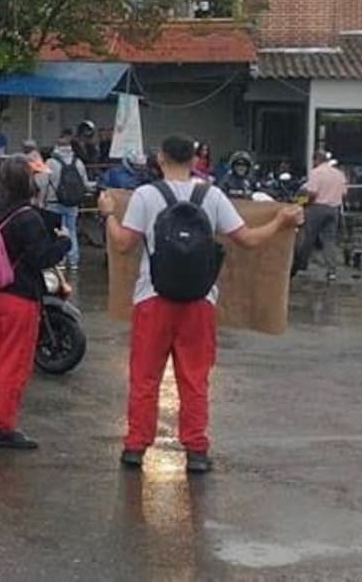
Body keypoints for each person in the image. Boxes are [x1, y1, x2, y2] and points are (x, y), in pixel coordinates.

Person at [98, 134, 303, 474]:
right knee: (194, 379)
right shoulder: (213, 195)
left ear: (160, 159)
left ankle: (136, 446)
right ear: (195, 161)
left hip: (153, 299)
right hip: (199, 301)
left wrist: (107, 215)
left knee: (145, 377)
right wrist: (280, 222)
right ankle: (195, 450)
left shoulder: (146, 196)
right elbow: (249, 241)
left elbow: (122, 244)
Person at [0, 155, 73, 449]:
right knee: (14, 363)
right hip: (17, 296)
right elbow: (41, 258)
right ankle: (5, 425)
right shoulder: (27, 217)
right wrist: (64, 242)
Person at [44, 130, 90, 272]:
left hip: (54, 202)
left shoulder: (51, 162)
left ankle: (61, 260)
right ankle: (74, 260)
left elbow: (43, 183)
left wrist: (42, 200)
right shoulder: (78, 162)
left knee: (58, 231)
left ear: (56, 147)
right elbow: (85, 184)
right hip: (73, 203)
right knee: (71, 230)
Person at [302, 150, 348, 284]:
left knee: (308, 236)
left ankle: (302, 263)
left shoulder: (316, 173)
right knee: (329, 240)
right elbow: (344, 193)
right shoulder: (338, 174)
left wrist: (303, 203)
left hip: (317, 208)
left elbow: (312, 193)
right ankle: (331, 271)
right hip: (334, 210)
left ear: (316, 160)